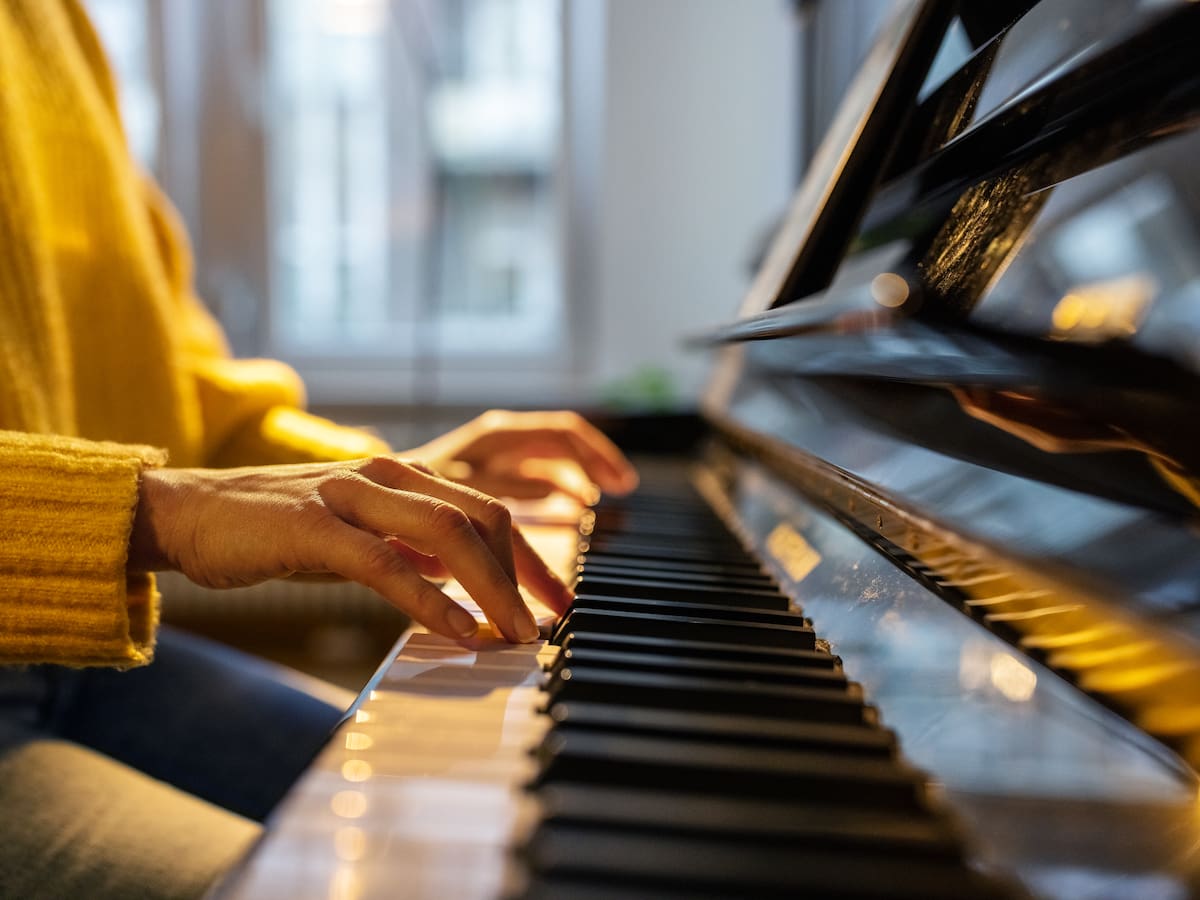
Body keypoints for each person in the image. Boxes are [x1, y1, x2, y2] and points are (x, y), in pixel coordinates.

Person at [0, 2, 637, 897]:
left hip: (84, 660)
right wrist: (160, 514)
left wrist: (389, 478)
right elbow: (175, 491)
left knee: (478, 811)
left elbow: (171, 390)